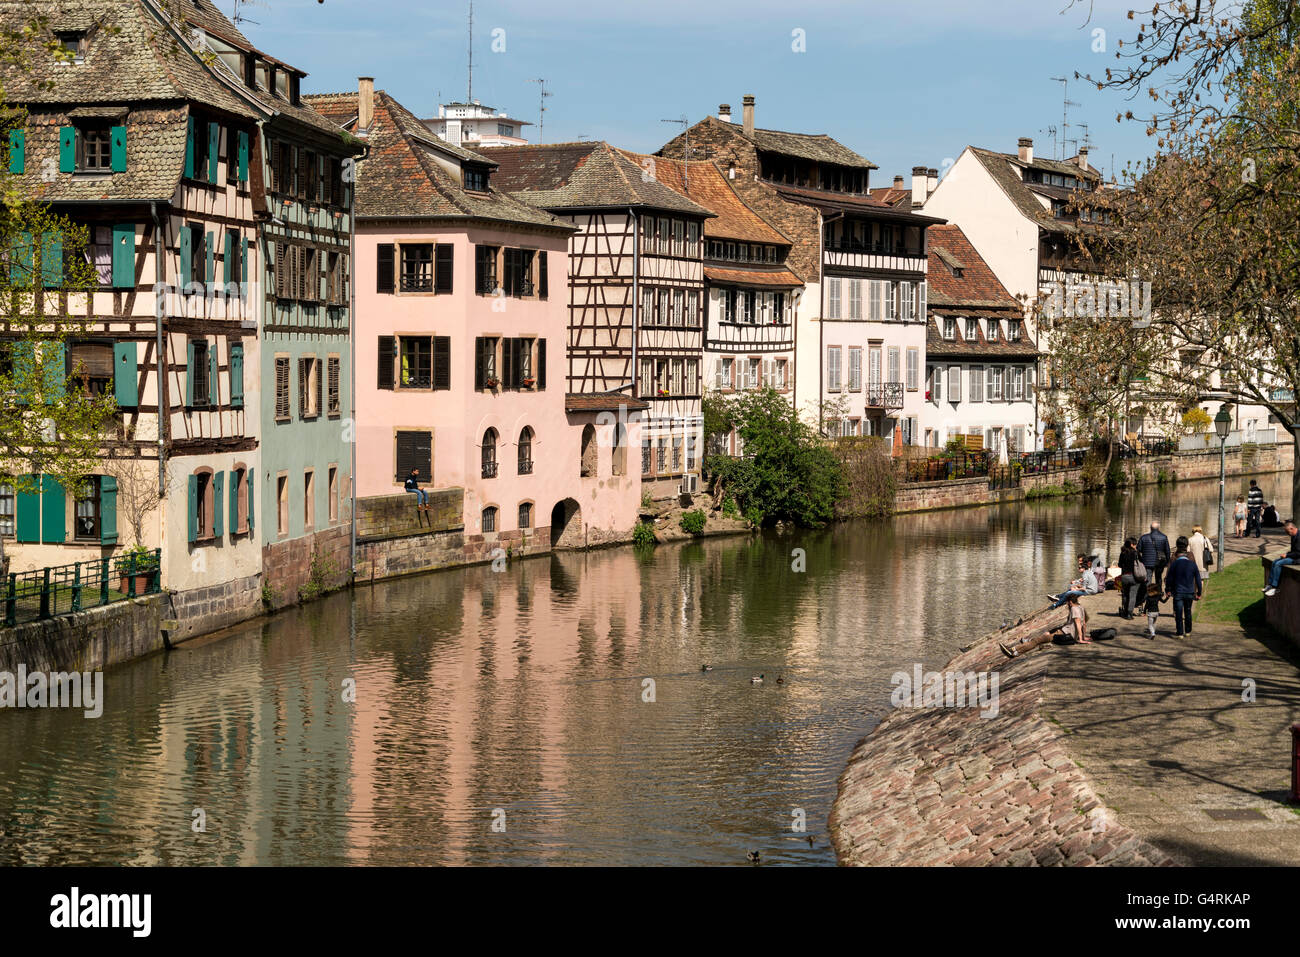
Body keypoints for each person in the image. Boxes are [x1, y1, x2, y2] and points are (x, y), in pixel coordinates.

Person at [1001, 594, 1089, 658]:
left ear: (1070, 602)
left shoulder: (1074, 609)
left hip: (1063, 635)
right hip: (1065, 633)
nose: (1066, 604)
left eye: (1067, 603)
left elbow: (1078, 623)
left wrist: (1081, 639)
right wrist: (1083, 637)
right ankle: (1015, 649)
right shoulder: (1081, 607)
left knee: (1037, 641)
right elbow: (1084, 623)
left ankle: (1014, 651)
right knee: (1042, 637)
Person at [1164, 536, 1202, 636]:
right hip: (1189, 588)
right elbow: (1197, 576)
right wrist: (1198, 591)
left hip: (1177, 589)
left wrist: (1167, 588)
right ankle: (1188, 631)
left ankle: (1180, 632)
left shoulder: (1174, 557)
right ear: (1187, 545)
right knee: (1188, 611)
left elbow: (1169, 575)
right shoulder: (1191, 556)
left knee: (1178, 611)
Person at [1263, 518, 1300, 597]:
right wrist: (1287, 554)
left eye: (1287, 532)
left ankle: (1275, 587)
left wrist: (1287, 555)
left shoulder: (1299, 537)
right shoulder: (1294, 535)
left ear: (1292, 528)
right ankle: (1270, 584)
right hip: (1294, 556)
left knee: (1278, 564)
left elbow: (1298, 553)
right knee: (1274, 562)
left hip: (1297, 559)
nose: (1287, 533)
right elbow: (1295, 550)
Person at [1138, 521, 1171, 595]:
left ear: (1150, 528)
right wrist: (1167, 561)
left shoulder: (1144, 537)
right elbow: (1167, 551)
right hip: (1159, 561)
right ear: (1158, 528)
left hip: (1147, 561)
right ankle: (1159, 592)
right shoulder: (1164, 537)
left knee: (1148, 578)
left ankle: (1147, 593)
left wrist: (1141, 559)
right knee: (1158, 577)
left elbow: (1138, 550)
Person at [1117, 537, 1141, 619]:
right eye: (1135, 544)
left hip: (1124, 576)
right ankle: (1130, 613)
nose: (1136, 546)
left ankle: (1125, 610)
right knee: (1133, 595)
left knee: (1125, 595)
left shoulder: (1122, 553)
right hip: (1134, 577)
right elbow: (1141, 563)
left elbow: (1119, 565)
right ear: (1132, 544)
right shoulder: (1136, 553)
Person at [1188, 524, 1211, 593]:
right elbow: (1211, 549)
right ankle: (1199, 593)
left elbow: (1188, 551)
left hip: (1193, 563)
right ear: (1200, 530)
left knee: (1194, 578)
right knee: (1201, 579)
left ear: (1193, 531)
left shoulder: (1190, 539)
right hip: (1203, 563)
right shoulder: (1205, 539)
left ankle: (1194, 592)